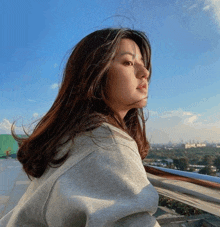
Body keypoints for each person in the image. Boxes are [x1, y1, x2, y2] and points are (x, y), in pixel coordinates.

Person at [0, 28, 161, 226]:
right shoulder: (109, 145)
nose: (145, 73)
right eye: (128, 62)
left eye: (144, 65)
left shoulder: (71, 139)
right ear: (95, 72)